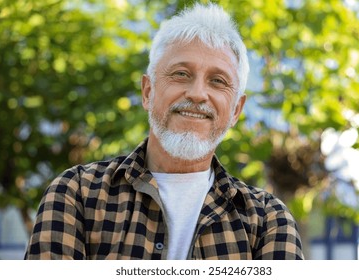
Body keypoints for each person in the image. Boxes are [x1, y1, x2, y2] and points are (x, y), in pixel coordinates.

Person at [24, 3, 304, 260]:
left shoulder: (268, 220)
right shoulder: (77, 195)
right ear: (148, 92)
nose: (197, 94)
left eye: (218, 81)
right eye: (181, 74)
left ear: (235, 111)